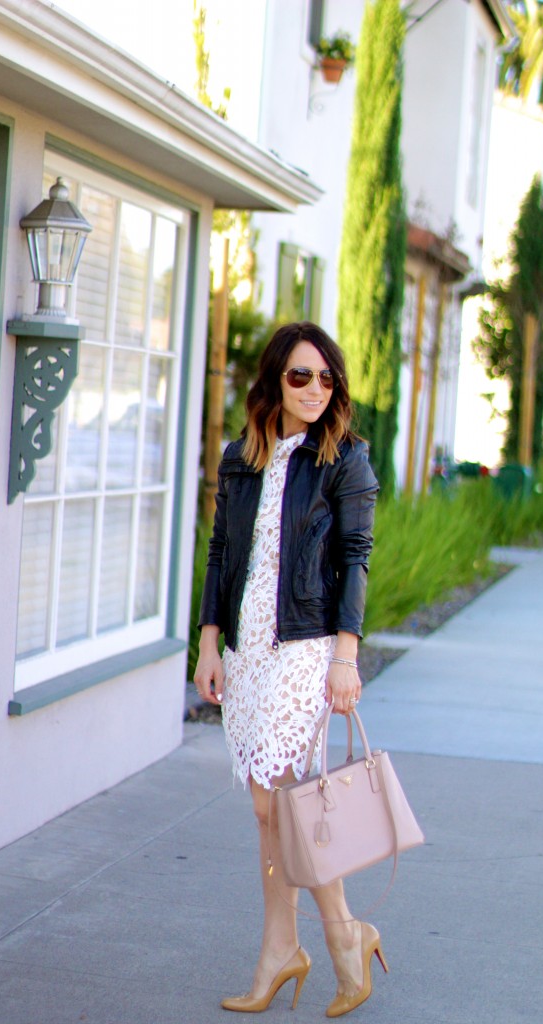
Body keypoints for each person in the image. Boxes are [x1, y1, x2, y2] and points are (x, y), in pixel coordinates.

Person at [194, 321, 382, 1017]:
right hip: (246, 649)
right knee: (266, 807)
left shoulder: (345, 459)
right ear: (275, 378)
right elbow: (220, 554)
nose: (313, 389)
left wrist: (345, 656)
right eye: (300, 376)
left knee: (282, 799)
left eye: (325, 378)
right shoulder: (242, 459)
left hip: (305, 647)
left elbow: (355, 559)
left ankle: (336, 934)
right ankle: (287, 947)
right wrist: (208, 643)